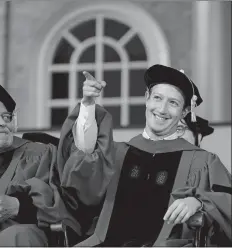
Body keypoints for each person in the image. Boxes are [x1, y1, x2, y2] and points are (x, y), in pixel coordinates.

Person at [58, 65, 232, 246]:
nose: (162, 109)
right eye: (157, 98)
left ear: (185, 112)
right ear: (147, 99)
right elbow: (82, 175)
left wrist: (199, 202)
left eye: (173, 103)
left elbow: (227, 201)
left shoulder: (202, 161)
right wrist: (88, 105)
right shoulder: (117, 154)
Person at [0, 79, 112, 247]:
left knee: (20, 235)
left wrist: (20, 206)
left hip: (8, 241)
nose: (2, 122)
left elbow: (75, 199)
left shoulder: (38, 155)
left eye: (6, 117)